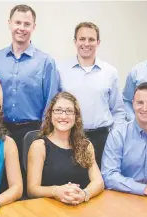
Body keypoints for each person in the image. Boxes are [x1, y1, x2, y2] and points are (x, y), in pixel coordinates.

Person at [0, 4, 60, 164]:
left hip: (33, 130)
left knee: (30, 179)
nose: (22, 28)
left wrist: (44, 133)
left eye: (27, 24)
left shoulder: (45, 62)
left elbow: (52, 100)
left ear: (34, 27)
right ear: (9, 23)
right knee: (2, 178)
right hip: (0, 129)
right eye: (17, 22)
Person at [58, 22, 126, 168]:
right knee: (73, 183)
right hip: (69, 137)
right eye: (82, 39)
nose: (86, 43)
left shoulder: (110, 72)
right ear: (75, 41)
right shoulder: (60, 70)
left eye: (91, 39)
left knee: (101, 183)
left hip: (101, 138)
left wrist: (115, 138)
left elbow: (118, 110)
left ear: (98, 42)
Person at [27, 92, 104, 205]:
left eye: (69, 111)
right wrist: (56, 191)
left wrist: (84, 194)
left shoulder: (86, 145)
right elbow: (31, 190)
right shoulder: (39, 146)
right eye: (58, 110)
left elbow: (99, 182)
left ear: (75, 116)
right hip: (48, 208)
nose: (63, 116)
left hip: (80, 207)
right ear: (50, 114)